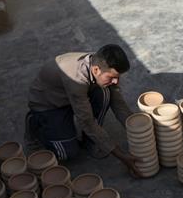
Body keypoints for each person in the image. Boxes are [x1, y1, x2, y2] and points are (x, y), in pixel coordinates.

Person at [25, 44, 142, 176]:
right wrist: (122, 156)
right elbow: (87, 122)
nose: (116, 81)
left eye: (118, 77)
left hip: (71, 97)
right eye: (112, 77)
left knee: (106, 93)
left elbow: (118, 103)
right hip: (49, 105)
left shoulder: (101, 62)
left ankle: (89, 141)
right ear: (96, 70)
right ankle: (34, 124)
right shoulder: (76, 79)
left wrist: (139, 130)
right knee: (68, 152)